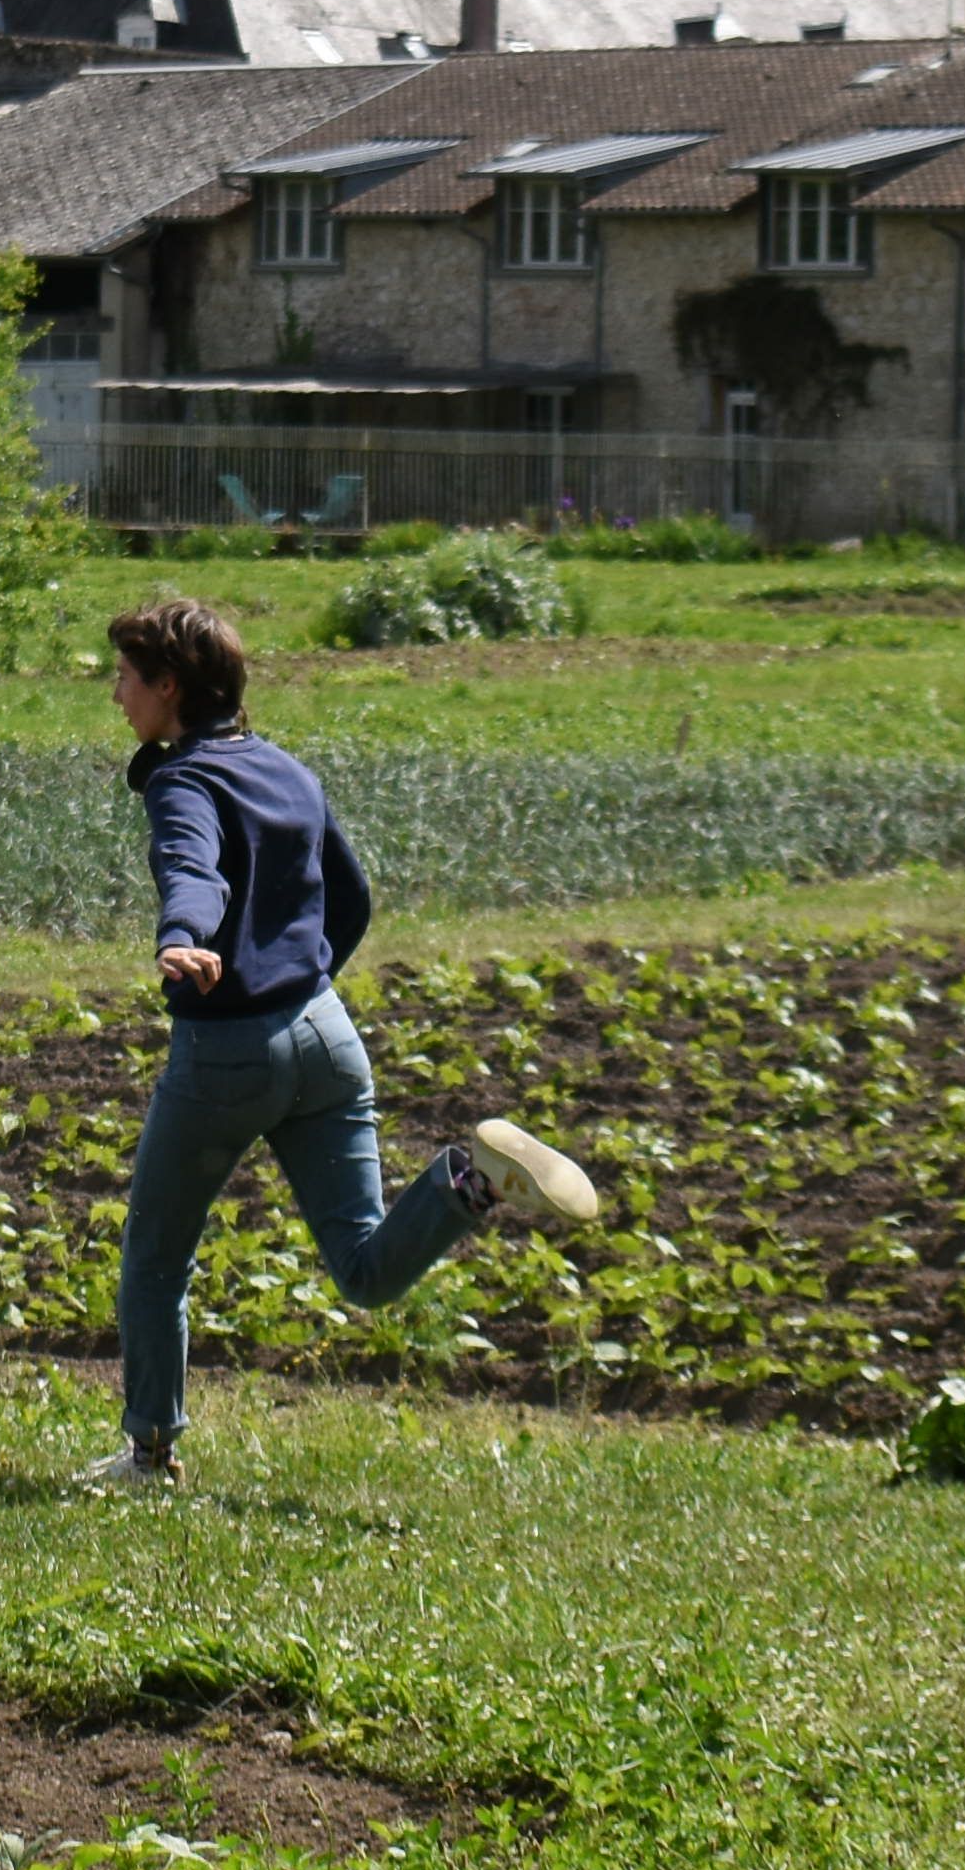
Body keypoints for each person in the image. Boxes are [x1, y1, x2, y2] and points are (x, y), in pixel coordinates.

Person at [88, 591, 595, 1483]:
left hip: (229, 1053)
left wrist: (185, 938)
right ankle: (470, 1183)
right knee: (362, 1268)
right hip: (327, 1036)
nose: (117, 695)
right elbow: (350, 898)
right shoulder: (285, 768)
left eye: (126, 679)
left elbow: (190, 864)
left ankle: (151, 1454)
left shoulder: (182, 780)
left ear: (170, 686)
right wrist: (303, 978)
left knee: (156, 1257)